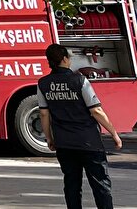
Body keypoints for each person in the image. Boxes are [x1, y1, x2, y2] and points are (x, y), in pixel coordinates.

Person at [37, 43, 122, 209]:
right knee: (100, 185)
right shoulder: (80, 80)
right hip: (88, 141)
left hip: (64, 143)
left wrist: (49, 138)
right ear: (64, 59)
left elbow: (44, 114)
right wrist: (114, 133)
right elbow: (96, 110)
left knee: (71, 185)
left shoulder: (43, 83)